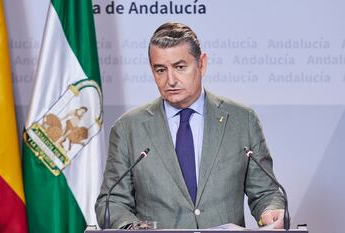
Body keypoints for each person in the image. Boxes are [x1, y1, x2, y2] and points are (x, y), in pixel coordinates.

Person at [95, 22, 286, 229]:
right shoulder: (128, 128)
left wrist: (269, 211)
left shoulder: (242, 120)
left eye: (180, 67)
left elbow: (266, 192)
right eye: (160, 70)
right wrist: (131, 227)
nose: (171, 80)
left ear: (202, 64)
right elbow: (111, 202)